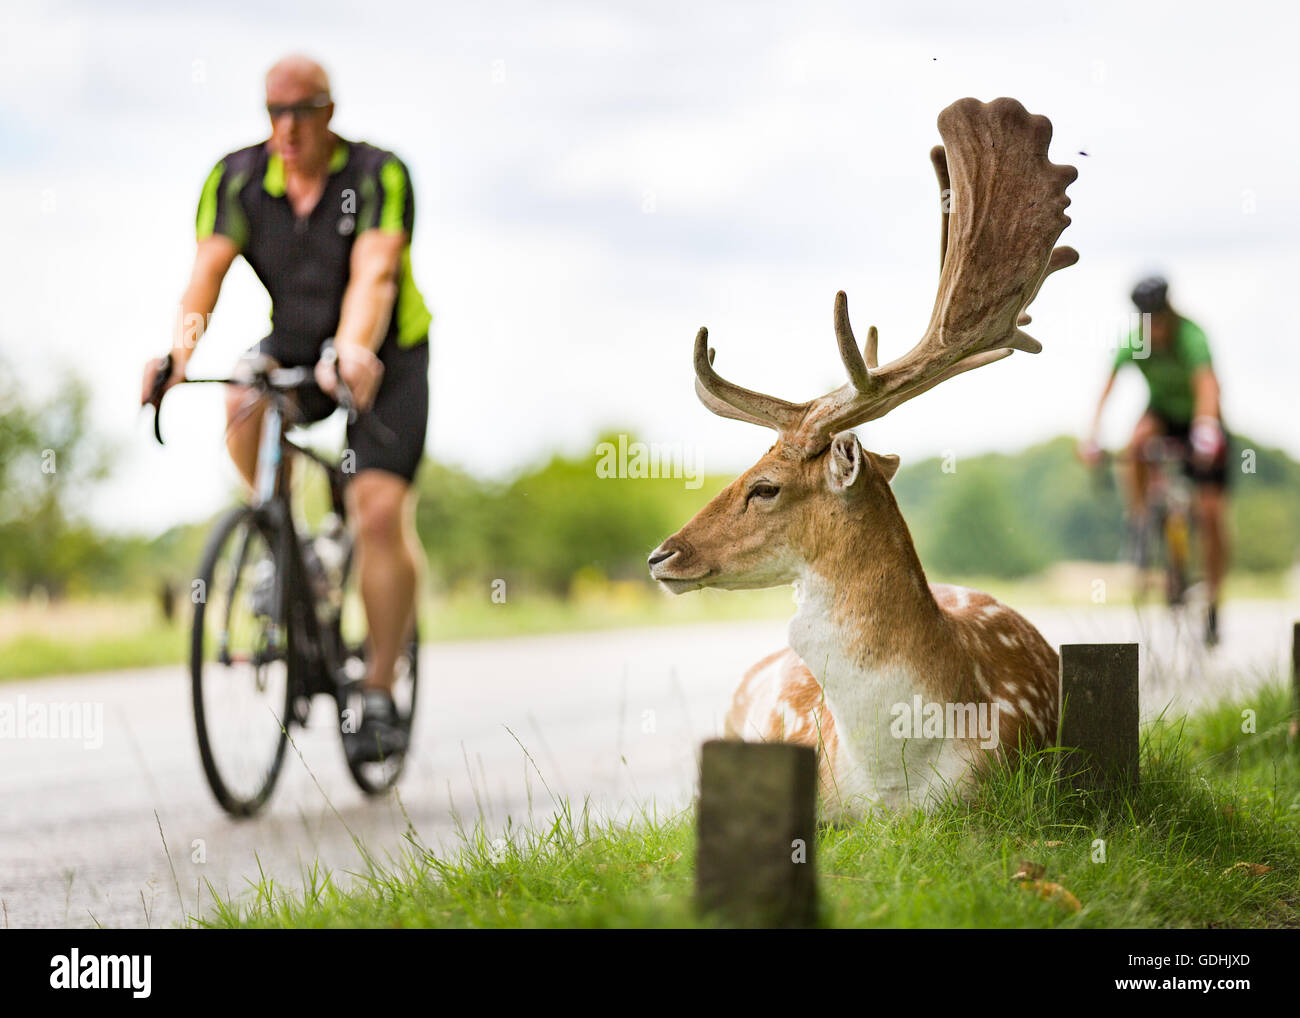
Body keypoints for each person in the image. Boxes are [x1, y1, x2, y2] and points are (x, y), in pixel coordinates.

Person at [140, 54, 431, 760]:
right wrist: (178, 356)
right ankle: (284, 541)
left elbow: (376, 272)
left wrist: (355, 348)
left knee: (378, 510)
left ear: (329, 112)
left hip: (385, 358)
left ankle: (378, 691)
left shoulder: (375, 174)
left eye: (301, 111)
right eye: (274, 111)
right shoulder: (237, 178)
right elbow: (204, 277)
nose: (286, 127)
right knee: (243, 395)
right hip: (296, 345)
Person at [1080, 275, 1230, 646]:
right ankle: (1141, 517)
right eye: (1149, 323)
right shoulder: (1137, 342)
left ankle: (1213, 601)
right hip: (1162, 415)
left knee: (1211, 514)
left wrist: (1207, 429)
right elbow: (1107, 386)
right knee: (1137, 441)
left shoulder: (1191, 336)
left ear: (1170, 314)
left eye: (1160, 321)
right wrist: (1093, 435)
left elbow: (1207, 385)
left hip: (1199, 419)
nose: (1156, 331)